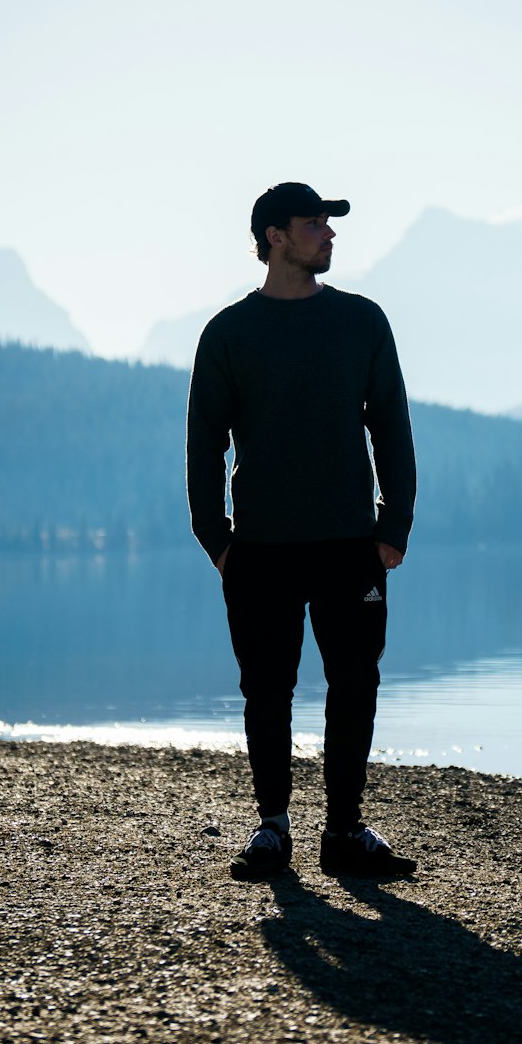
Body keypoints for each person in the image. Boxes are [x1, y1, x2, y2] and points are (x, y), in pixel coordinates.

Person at [186, 182, 417, 880]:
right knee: (266, 688)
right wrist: (216, 539)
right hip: (259, 549)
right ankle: (272, 829)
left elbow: (392, 428)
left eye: (329, 223)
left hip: (351, 544)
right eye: (315, 222)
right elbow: (203, 443)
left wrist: (393, 523)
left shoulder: (362, 322)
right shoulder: (228, 333)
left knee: (355, 683)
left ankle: (343, 831)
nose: (329, 233)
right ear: (275, 236)